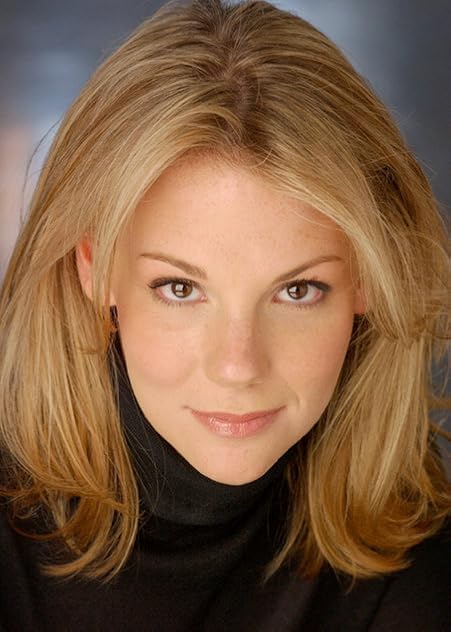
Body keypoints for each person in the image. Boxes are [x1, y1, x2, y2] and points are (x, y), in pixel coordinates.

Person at [0, 0, 450, 630]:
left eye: (298, 291)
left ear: (369, 279)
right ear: (94, 270)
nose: (238, 366)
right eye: (181, 288)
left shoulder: (414, 543)